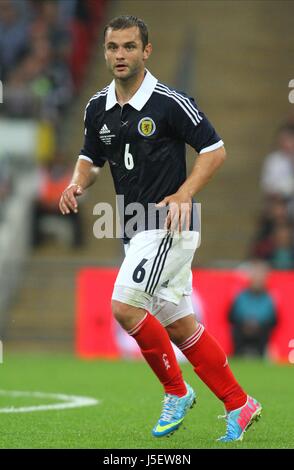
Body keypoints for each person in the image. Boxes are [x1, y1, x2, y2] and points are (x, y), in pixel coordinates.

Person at [59, 15, 262, 442]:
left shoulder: (170, 102)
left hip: (168, 225)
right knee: (179, 325)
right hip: (133, 229)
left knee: (125, 307)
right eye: (113, 47)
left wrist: (186, 192)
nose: (120, 55)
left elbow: (214, 150)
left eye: (129, 47)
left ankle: (177, 390)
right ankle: (239, 403)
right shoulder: (98, 107)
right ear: (105, 51)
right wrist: (76, 183)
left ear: (146, 51)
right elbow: (91, 158)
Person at [229, 260, 277, 357]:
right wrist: (246, 323)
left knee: (265, 332)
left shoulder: (269, 298)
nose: (258, 280)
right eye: (256, 276)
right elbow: (232, 315)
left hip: (261, 331)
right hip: (242, 329)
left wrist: (257, 324)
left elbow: (273, 318)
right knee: (236, 330)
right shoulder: (241, 296)